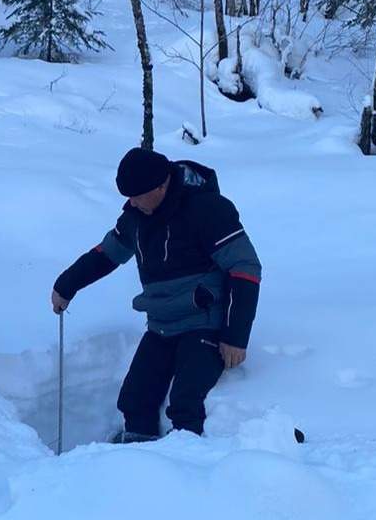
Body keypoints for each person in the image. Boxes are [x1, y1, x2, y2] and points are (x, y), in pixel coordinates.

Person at [51, 148, 262, 443]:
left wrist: (235, 337)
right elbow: (106, 254)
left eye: (137, 195)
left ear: (161, 186)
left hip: (205, 322)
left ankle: (188, 474)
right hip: (162, 324)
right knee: (134, 399)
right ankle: (137, 466)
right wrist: (66, 285)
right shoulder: (136, 218)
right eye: (128, 196)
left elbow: (245, 268)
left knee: (185, 400)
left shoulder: (208, 209)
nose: (131, 202)